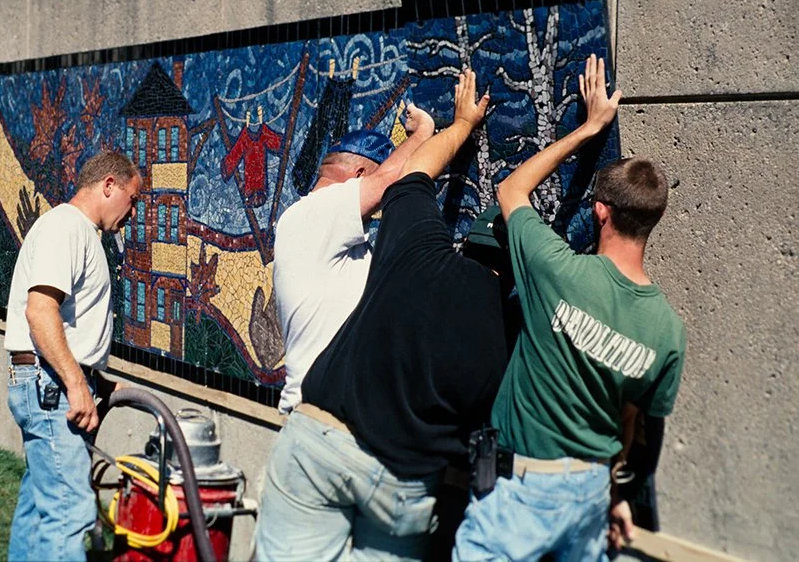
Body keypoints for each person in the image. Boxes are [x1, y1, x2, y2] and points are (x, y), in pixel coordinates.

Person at [255, 70, 511, 561]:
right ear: (354, 178)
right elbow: (393, 183)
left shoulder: (351, 247)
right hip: (328, 429)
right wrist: (427, 135)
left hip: (353, 440)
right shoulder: (310, 216)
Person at [454, 55, 686, 561]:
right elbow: (634, 422)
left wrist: (588, 128)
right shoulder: (668, 330)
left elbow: (512, 189)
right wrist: (616, 494)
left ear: (600, 211)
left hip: (522, 491)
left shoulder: (558, 272)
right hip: (589, 494)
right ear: (655, 219)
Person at [4, 150, 142, 561]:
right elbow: (40, 311)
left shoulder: (79, 233)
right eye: (132, 198)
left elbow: (68, 328)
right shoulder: (66, 227)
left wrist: (100, 382)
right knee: (68, 511)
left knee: (40, 508)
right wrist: (77, 384)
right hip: (51, 388)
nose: (132, 212)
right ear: (109, 186)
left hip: (51, 383)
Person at [273, 101, 435, 414]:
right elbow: (388, 178)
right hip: (319, 419)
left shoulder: (333, 235)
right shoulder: (315, 212)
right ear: (359, 174)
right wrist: (422, 135)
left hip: (334, 417)